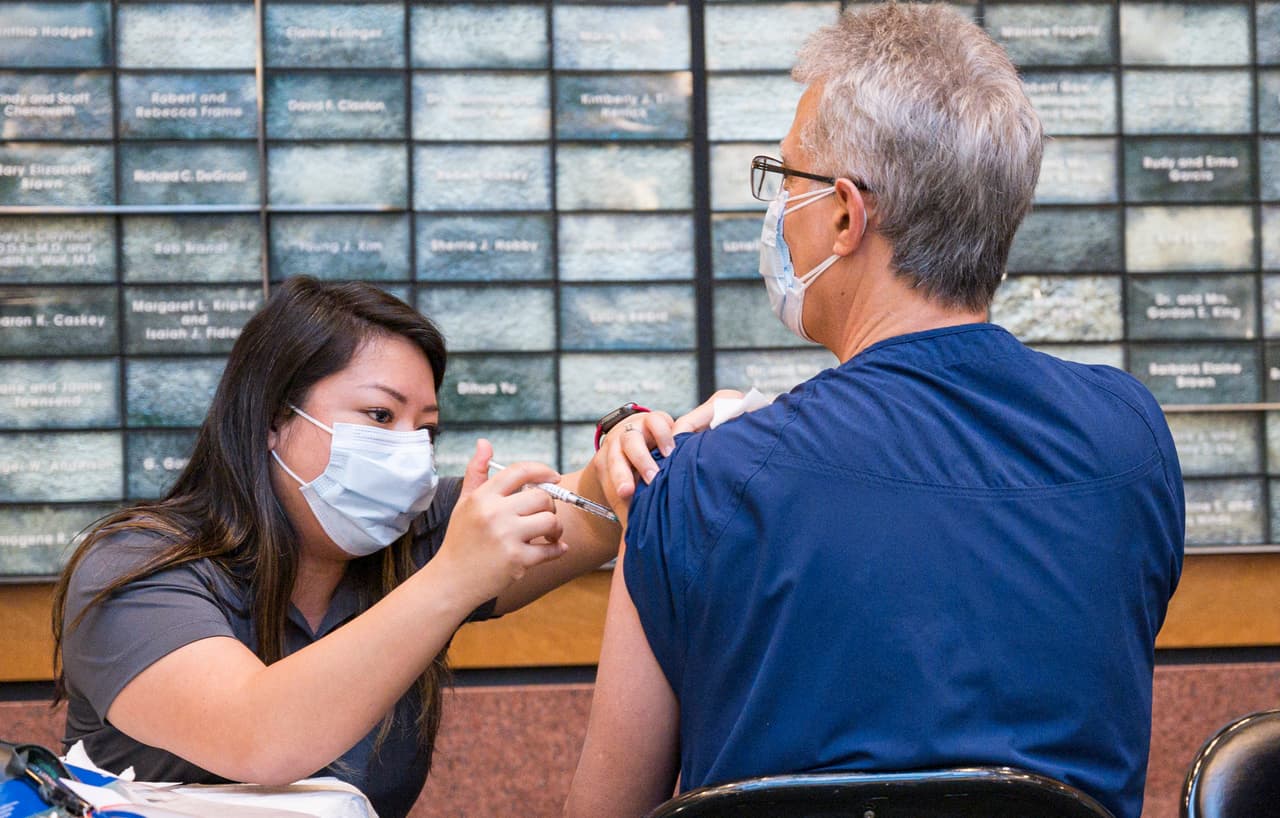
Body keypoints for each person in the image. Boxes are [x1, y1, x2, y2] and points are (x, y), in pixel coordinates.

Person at [565, 5, 1185, 818]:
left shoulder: (699, 484)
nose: (778, 206)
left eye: (787, 179)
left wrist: (722, 463)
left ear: (847, 215)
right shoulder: (1129, 440)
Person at [51, 275, 701, 818]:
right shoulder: (136, 569)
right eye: (380, 417)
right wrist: (453, 579)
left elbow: (601, 509)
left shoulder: (420, 535)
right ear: (274, 417)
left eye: (427, 428)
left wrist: (653, 443)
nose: (408, 451)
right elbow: (259, 739)